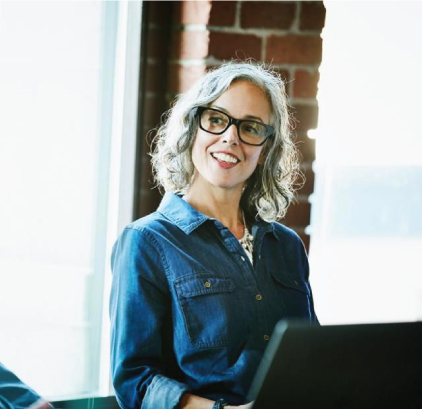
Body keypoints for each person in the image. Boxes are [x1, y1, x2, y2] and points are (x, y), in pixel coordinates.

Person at [109, 61, 318, 409]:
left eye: (251, 127)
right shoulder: (146, 241)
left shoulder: (288, 247)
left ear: (265, 149)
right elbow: (135, 381)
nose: (231, 137)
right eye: (217, 120)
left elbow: (311, 356)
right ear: (192, 128)